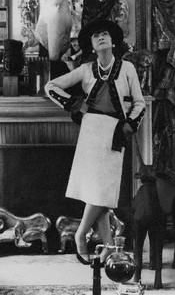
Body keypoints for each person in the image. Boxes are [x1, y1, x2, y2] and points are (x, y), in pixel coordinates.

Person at [45, 19, 146, 265]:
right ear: (91, 45)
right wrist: (74, 104)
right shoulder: (85, 70)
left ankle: (81, 234)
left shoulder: (128, 69)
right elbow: (51, 86)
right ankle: (108, 246)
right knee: (97, 192)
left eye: (105, 34)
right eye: (95, 36)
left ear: (113, 41)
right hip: (90, 131)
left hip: (114, 133)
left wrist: (129, 124)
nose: (100, 37)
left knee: (102, 192)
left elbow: (140, 103)